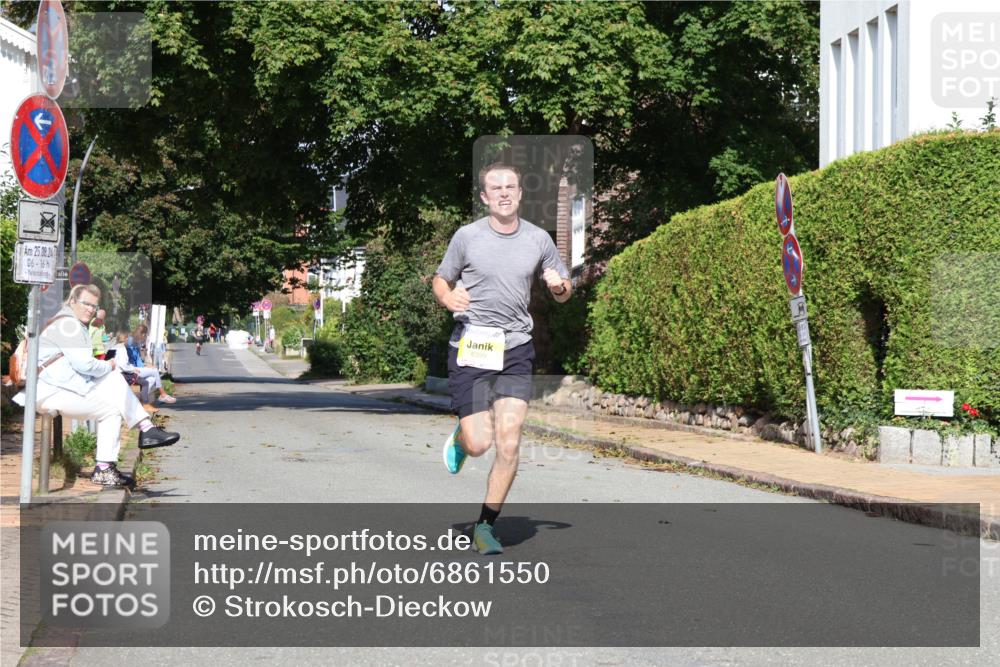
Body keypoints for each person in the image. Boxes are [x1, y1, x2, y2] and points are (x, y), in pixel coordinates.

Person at [432, 162, 571, 554]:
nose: (505, 193)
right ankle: (463, 438)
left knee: (509, 442)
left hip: (515, 349)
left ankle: (485, 526)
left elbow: (564, 290)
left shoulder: (539, 239)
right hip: (472, 346)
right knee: (480, 444)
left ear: (521, 194)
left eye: (511, 186)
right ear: (485, 197)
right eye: (496, 188)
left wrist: (559, 287)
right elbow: (440, 279)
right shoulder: (467, 236)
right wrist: (447, 297)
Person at [18, 284, 181, 487]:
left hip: (56, 388)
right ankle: (143, 431)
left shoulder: (68, 321)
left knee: (112, 406)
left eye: (94, 306)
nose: (90, 310)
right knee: (112, 379)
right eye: (86, 304)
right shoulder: (68, 325)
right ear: (72, 301)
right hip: (50, 392)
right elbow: (85, 365)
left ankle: (107, 466)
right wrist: (110, 365)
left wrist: (108, 368)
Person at [124, 326, 176, 404]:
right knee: (155, 371)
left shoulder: (136, 342)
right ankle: (162, 394)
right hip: (131, 369)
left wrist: (145, 365)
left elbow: (138, 360)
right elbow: (130, 359)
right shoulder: (130, 341)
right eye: (145, 335)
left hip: (136, 368)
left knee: (152, 379)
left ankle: (140, 399)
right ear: (143, 334)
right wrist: (144, 366)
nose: (144, 337)